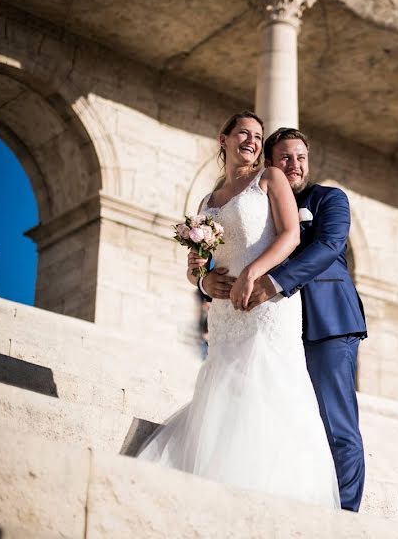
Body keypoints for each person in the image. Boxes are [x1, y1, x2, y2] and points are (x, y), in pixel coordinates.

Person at [137, 112, 340, 509]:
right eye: (243, 133)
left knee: (268, 385)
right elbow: (197, 266)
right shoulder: (206, 201)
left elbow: (291, 235)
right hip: (224, 313)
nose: (251, 140)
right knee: (223, 390)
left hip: (267, 305)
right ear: (223, 139)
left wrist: (253, 272)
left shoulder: (270, 178)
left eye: (258, 136)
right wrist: (202, 282)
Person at [191, 127, 367, 512]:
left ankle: (347, 517)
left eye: (301, 157)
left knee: (336, 424)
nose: (295, 165)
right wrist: (207, 280)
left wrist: (272, 282)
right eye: (286, 157)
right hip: (274, 325)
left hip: (326, 322)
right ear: (269, 162)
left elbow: (328, 246)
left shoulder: (327, 198)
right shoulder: (257, 195)